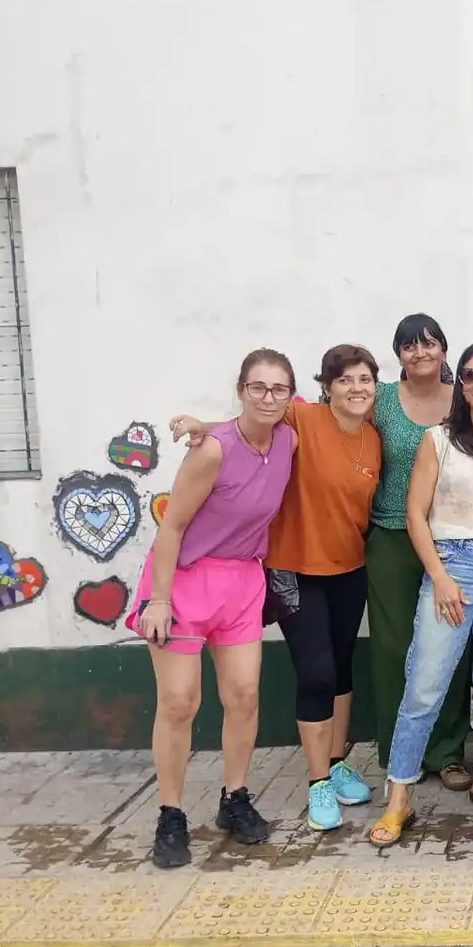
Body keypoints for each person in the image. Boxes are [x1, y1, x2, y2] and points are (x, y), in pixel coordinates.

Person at [168, 345, 382, 832]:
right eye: (345, 380)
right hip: (292, 570)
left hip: (349, 568)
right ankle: (317, 782)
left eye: (365, 379)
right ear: (326, 387)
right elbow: (250, 417)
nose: (356, 388)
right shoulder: (301, 420)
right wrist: (203, 427)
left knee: (343, 669)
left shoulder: (373, 439)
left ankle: (338, 760)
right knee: (317, 674)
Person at [130, 348, 298, 869]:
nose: (268, 397)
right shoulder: (212, 451)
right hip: (182, 582)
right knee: (180, 702)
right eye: (258, 387)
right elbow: (172, 527)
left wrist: (204, 422)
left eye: (278, 389)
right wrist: (158, 600)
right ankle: (171, 814)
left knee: (244, 695)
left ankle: (235, 798)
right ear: (241, 389)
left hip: (243, 580)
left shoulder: (289, 438)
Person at [369, 340, 473, 846]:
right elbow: (415, 516)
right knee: (425, 683)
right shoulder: (437, 440)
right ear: (460, 385)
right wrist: (441, 577)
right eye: (470, 375)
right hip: (455, 565)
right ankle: (399, 794)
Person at [366, 314, 473, 793]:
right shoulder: (382, 400)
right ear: (398, 355)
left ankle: (448, 752)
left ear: (445, 351)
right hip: (392, 535)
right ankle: (399, 752)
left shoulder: (465, 400)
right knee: (394, 648)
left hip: (453, 540)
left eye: (429, 344)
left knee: (450, 644)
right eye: (409, 346)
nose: (420, 353)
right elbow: (321, 417)